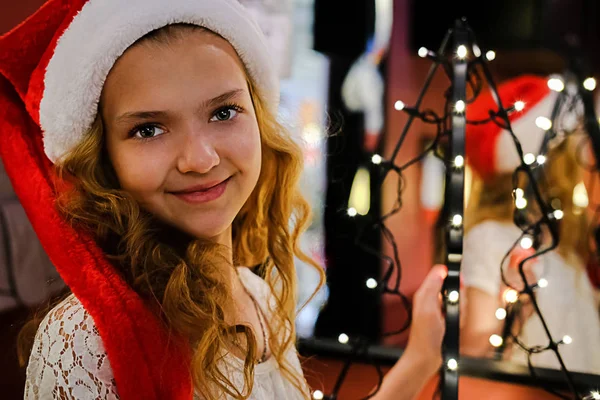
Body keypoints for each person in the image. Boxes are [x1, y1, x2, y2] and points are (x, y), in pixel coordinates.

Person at [0, 0, 448, 399]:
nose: (199, 158)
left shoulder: (260, 295)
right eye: (148, 129)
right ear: (104, 157)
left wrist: (421, 359)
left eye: (223, 112)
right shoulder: (88, 340)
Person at [461, 74, 600, 374]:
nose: (584, 159)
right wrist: (516, 306)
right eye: (573, 149)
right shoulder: (492, 237)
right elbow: (473, 351)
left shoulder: (562, 236)